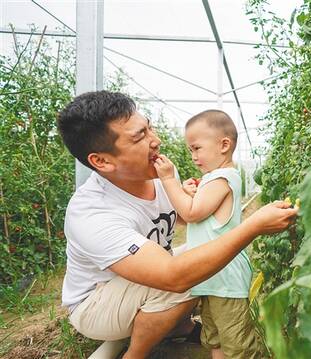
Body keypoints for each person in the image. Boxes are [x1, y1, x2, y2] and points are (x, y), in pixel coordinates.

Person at [56, 91, 297, 359]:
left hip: (137, 286)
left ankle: (175, 326)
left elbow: (181, 218)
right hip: (96, 305)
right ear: (101, 161)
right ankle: (133, 353)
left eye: (149, 128)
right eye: (139, 137)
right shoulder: (92, 213)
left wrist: (186, 196)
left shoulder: (157, 176)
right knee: (190, 273)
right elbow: (174, 276)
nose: (155, 141)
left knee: (205, 254)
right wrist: (254, 226)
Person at [153, 110, 261, 359]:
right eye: (190, 150)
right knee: (214, 337)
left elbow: (191, 213)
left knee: (238, 343)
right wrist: (186, 193)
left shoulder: (223, 177)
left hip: (226, 280)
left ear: (224, 145)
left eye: (197, 148)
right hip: (212, 277)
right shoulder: (213, 179)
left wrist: (169, 180)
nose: (193, 156)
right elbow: (189, 218)